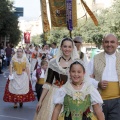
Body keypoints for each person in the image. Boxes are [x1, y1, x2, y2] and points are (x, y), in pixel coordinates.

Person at [34, 38, 79, 120]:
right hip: (55, 95)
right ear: (61, 47)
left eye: (69, 47)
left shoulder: (77, 63)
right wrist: (40, 101)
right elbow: (48, 83)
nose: (67, 49)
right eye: (65, 46)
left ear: (73, 48)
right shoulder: (53, 63)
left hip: (72, 95)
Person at [88, 34, 120, 120]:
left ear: (117, 44)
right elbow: (85, 78)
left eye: (112, 42)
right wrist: (97, 84)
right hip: (98, 101)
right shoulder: (95, 58)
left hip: (117, 102)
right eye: (106, 42)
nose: (109, 44)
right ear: (103, 44)